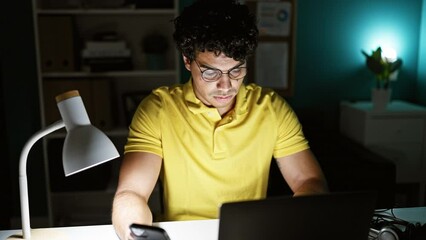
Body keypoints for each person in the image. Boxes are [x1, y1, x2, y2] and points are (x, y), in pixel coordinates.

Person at [112, 0, 328, 239]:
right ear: (187, 60)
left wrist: (300, 223)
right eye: (211, 72)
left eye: (236, 70)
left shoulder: (272, 108)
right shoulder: (157, 109)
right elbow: (132, 193)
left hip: (250, 234)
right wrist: (136, 236)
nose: (226, 86)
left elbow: (309, 180)